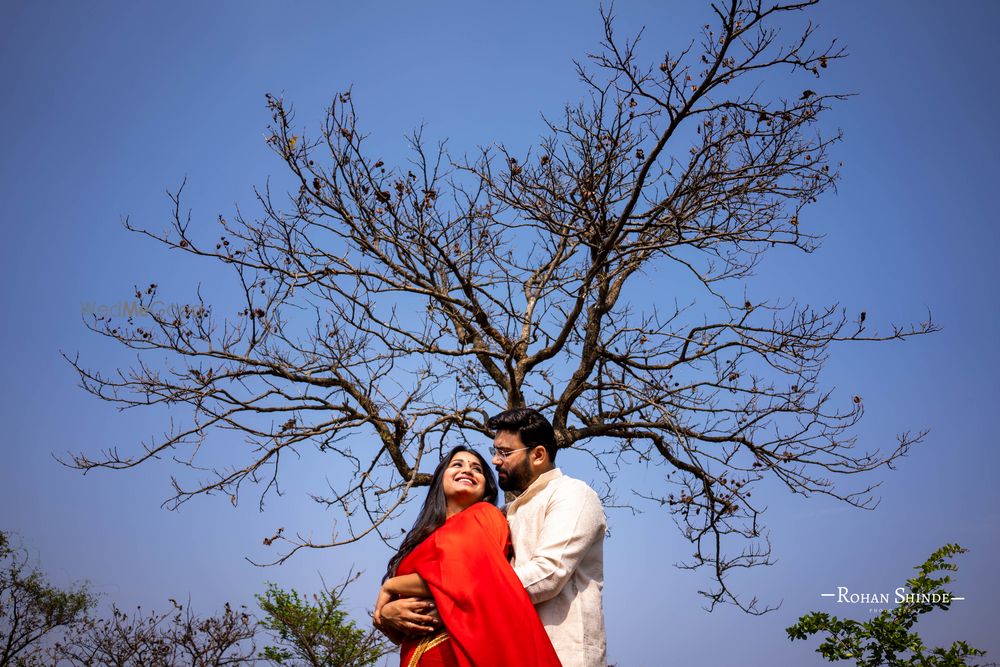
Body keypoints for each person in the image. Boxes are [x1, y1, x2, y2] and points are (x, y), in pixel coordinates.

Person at [374, 446, 561, 667]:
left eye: (477, 469)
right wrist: (386, 614)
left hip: (458, 650)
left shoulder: (486, 516)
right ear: (440, 479)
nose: (468, 471)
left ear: (486, 488)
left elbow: (466, 574)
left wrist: (391, 586)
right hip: (414, 656)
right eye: (457, 465)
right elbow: (402, 628)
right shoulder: (421, 540)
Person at [488, 408, 607, 667]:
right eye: (494, 451)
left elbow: (548, 573)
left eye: (505, 452)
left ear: (539, 454)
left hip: (564, 654)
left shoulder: (573, 494)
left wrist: (467, 595)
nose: (496, 461)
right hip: (515, 652)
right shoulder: (507, 513)